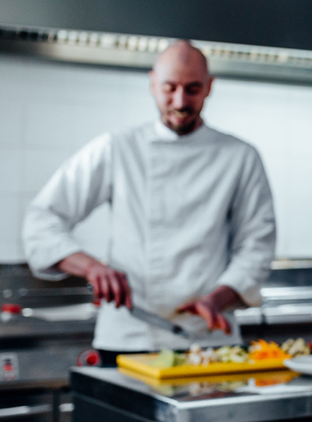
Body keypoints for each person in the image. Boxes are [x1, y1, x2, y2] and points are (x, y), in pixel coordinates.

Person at [22, 40, 276, 357]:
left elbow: (257, 245)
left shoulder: (240, 157)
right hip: (128, 338)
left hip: (209, 339)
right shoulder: (118, 148)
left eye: (193, 89)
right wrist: (92, 268)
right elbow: (42, 220)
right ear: (152, 83)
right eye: (170, 88)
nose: (181, 101)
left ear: (210, 87)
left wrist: (216, 300)